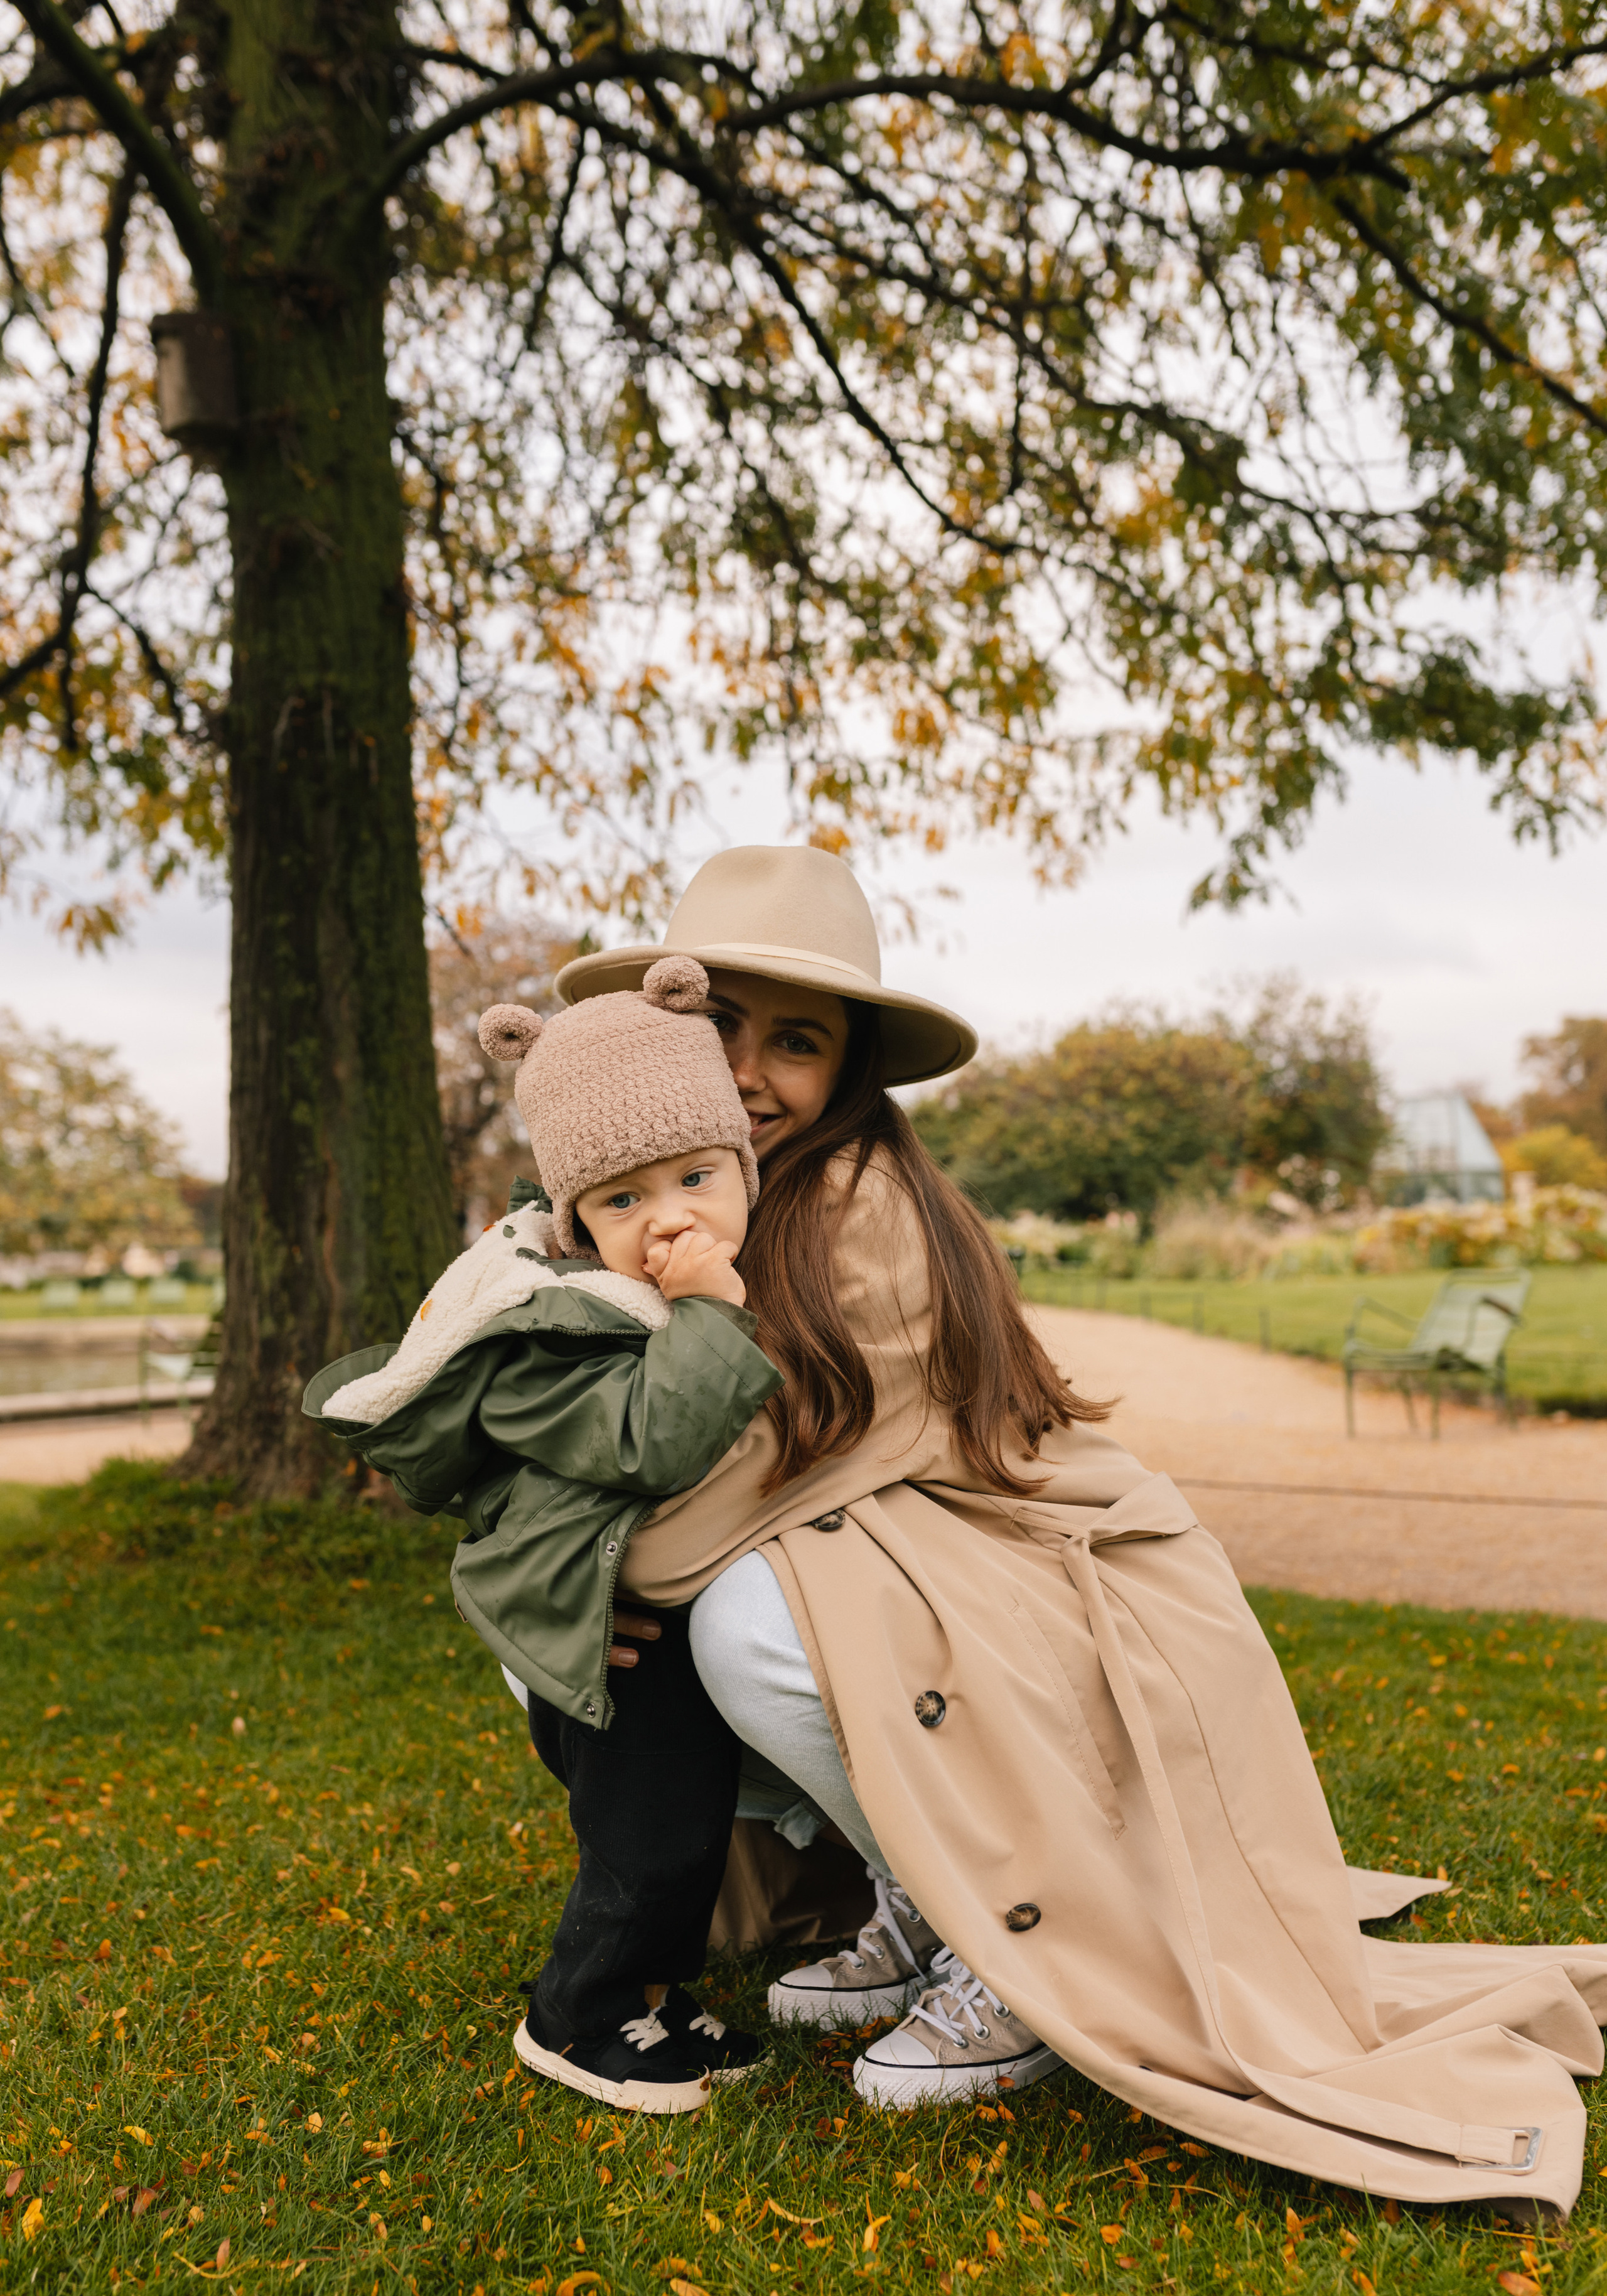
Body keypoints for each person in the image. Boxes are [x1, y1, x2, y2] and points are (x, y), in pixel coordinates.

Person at [557, 843, 1607, 2220]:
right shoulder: (657, 1197)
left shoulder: (860, 1205)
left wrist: (576, 1571)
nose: (750, 1070)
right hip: (884, 1554)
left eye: (796, 1041)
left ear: (852, 1070)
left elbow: (751, 1483)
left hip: (1037, 1569)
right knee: (585, 1633)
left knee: (743, 1613)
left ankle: (1008, 1941)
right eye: (719, 1029)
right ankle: (914, 1892)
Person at [302, 957, 787, 2114]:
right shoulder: (546, 1332)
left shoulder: (654, 1292)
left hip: (646, 1606)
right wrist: (715, 1310)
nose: (668, 1215)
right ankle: (579, 2018)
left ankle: (655, 1997)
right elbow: (647, 1446)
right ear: (576, 1225)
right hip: (595, 1628)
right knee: (648, 1838)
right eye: (623, 1201)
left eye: (696, 1177)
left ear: (744, 1169)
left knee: (691, 1819)